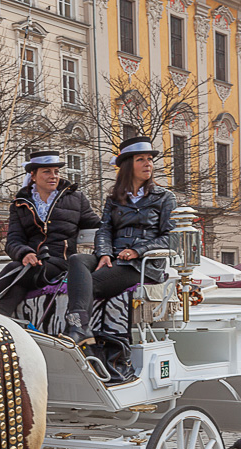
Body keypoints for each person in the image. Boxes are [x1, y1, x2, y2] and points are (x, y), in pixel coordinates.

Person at [0, 150, 101, 344]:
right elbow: (13, 241)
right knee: (18, 278)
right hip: (32, 264)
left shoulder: (75, 198)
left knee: (14, 269)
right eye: (47, 171)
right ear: (33, 176)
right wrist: (24, 252)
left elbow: (98, 226)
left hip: (61, 263)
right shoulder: (20, 204)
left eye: (56, 171)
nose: (53, 176)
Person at [85, 136, 178, 383]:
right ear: (128, 165)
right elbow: (104, 229)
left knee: (91, 285)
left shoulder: (164, 197)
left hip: (144, 266)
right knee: (78, 276)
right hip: (117, 262)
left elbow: (172, 238)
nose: (148, 164)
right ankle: (98, 352)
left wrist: (138, 250)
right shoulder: (114, 198)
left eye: (149, 159)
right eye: (141, 159)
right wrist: (104, 253)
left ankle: (105, 354)